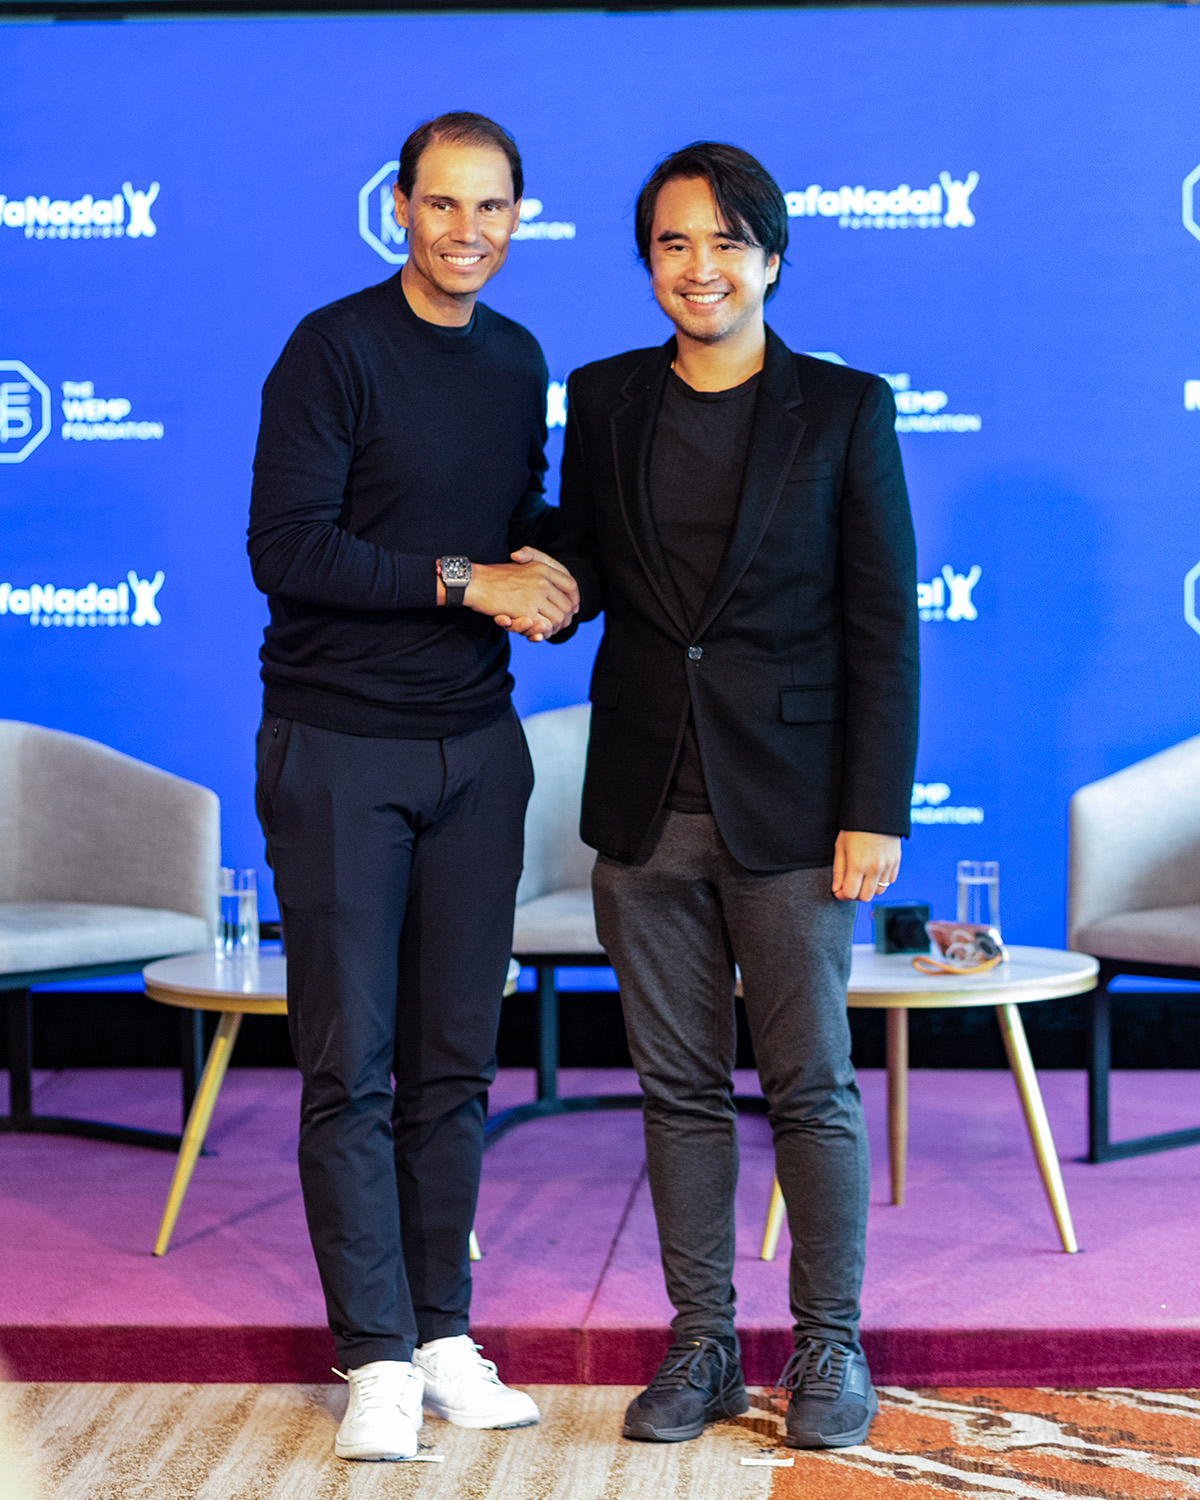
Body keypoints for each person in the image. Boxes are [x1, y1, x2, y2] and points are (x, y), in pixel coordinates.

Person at [548, 142, 918, 1449]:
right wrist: (542, 587)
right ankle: (702, 1345)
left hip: (798, 810)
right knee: (679, 1093)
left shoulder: (846, 408)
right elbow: (589, 563)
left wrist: (875, 807)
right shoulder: (601, 397)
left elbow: (883, 622)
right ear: (646, 261)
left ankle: (829, 1347)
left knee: (810, 1088)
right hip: (645, 802)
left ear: (771, 259)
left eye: (725, 243)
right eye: (672, 243)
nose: (698, 268)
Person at [248, 111, 577, 1463]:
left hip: (477, 748)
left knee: (455, 1065)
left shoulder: (516, 358)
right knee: (353, 1066)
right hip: (339, 745)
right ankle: (374, 1353)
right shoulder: (332, 348)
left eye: (492, 208)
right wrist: (468, 580)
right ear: (399, 207)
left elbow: (513, 523)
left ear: (518, 216)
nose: (467, 232)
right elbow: (287, 547)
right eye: (443, 205)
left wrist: (561, 562)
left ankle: (441, 1332)